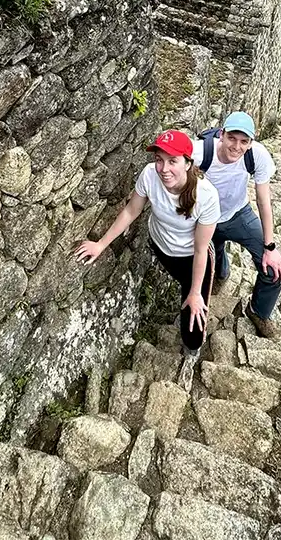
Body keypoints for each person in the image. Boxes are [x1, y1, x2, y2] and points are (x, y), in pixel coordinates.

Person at [76, 128, 220, 390]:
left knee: (192, 316)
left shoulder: (206, 196)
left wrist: (196, 292)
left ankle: (191, 353)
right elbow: (132, 211)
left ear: (188, 163)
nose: (163, 168)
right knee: (182, 291)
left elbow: (201, 250)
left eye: (173, 161)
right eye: (159, 159)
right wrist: (101, 245)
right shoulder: (149, 176)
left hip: (191, 260)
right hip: (160, 246)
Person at [193, 111, 281, 338]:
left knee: (276, 271)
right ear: (222, 135)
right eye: (232, 138)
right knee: (214, 261)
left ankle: (258, 311)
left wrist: (270, 247)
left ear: (251, 143)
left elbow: (264, 200)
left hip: (239, 215)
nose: (236, 146)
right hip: (207, 221)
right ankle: (221, 275)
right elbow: (170, 161)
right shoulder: (200, 153)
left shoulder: (257, 156)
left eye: (244, 141)